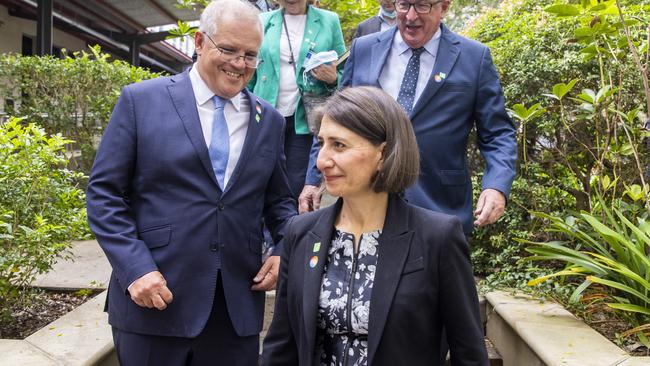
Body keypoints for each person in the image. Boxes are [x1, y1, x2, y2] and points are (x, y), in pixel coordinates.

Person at [86, 0, 296, 364]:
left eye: (250, 55)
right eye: (228, 49)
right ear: (199, 42)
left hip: (235, 313)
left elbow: (279, 203)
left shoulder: (271, 121)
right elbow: (104, 194)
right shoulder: (141, 101)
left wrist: (282, 250)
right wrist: (135, 269)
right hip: (153, 300)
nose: (239, 64)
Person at [261, 86, 488, 366]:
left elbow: (470, 353)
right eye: (322, 143)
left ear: (383, 153)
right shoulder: (301, 233)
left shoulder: (437, 237)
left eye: (339, 145)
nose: (322, 161)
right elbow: (280, 346)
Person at [299, 0, 517, 236]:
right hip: (364, 204)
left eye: (422, 6)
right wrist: (313, 179)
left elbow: (497, 133)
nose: (411, 16)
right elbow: (334, 120)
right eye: (404, 5)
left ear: (444, 7)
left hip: (438, 206)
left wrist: (496, 186)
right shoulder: (364, 48)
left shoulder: (474, 57)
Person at [249, 0, 346, 200]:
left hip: (305, 117)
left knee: (295, 184)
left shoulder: (329, 21)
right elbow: (250, 68)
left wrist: (334, 78)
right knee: (260, 179)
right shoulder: (263, 20)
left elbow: (345, 70)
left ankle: (290, 229)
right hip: (264, 113)